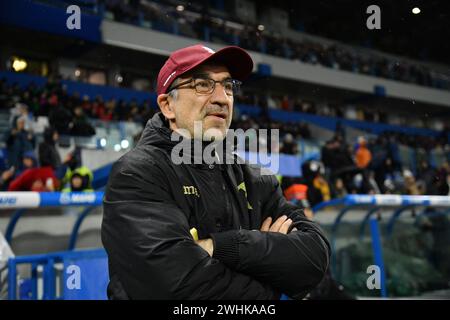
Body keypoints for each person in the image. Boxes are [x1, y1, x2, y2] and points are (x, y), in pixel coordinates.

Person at [101, 44, 330, 300]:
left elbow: (314, 259)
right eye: (202, 84)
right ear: (167, 106)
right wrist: (271, 281)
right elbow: (178, 289)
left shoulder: (255, 177)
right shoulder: (138, 173)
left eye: (228, 86)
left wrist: (222, 246)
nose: (222, 98)